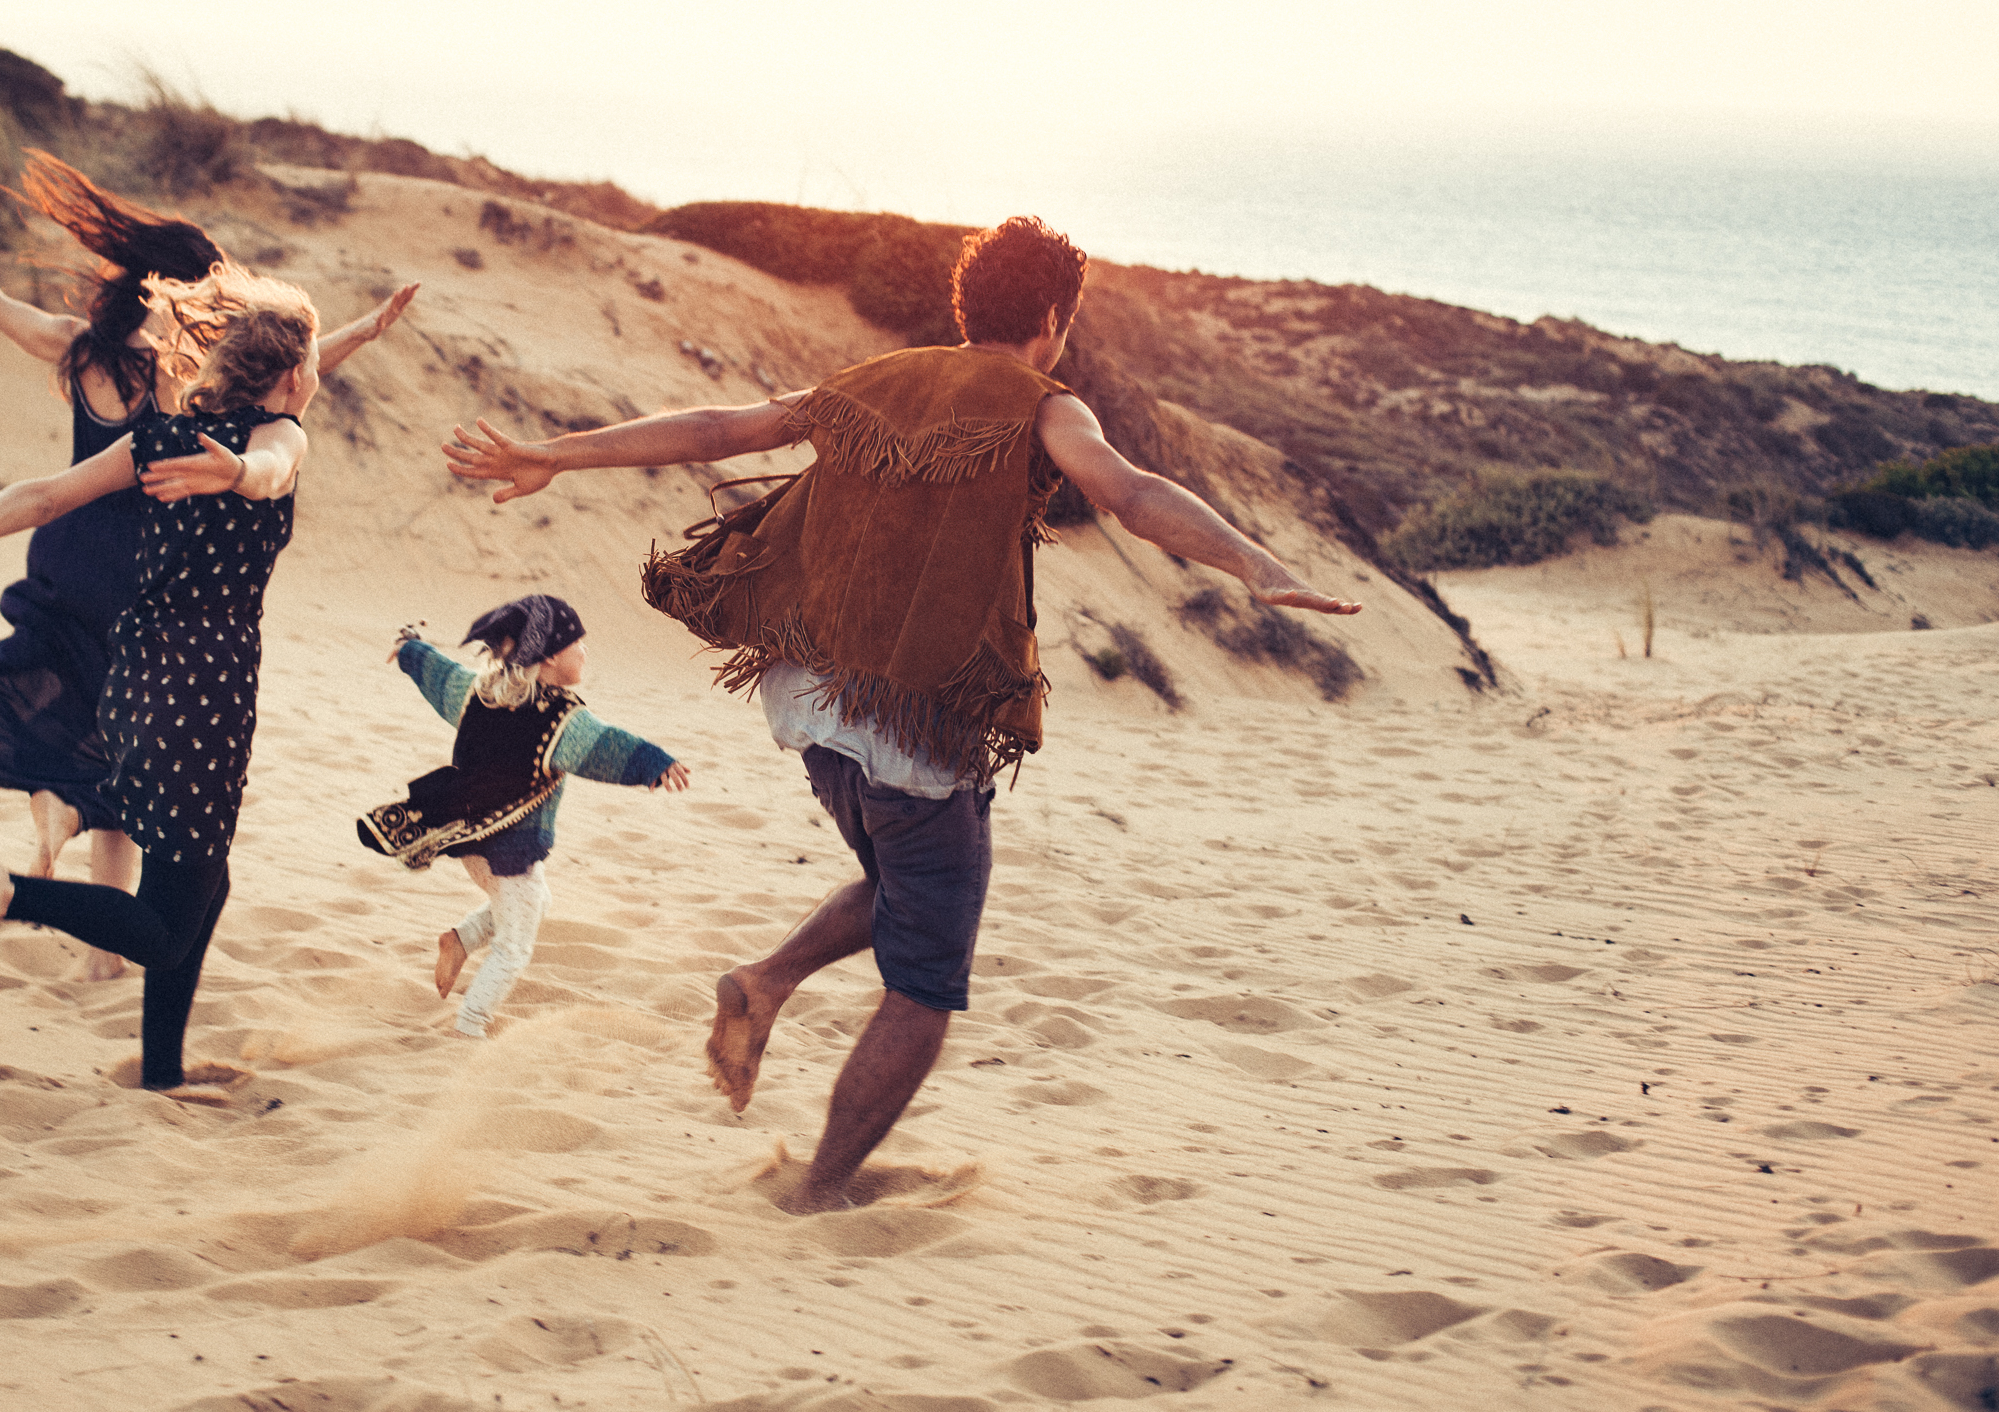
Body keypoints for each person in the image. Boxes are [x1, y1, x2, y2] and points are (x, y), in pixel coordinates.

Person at [442, 215, 1361, 1210]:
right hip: (914, 720)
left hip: (809, 696)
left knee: (899, 874)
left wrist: (555, 453)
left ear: (968, 305)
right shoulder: (1044, 405)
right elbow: (1127, 491)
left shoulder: (873, 381)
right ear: (1051, 319)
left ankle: (763, 982)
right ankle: (820, 1187)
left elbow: (719, 429)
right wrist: (1253, 563)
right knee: (925, 981)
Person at [0, 153, 413, 978]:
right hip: (143, 579)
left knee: (58, 699)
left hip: (63, 549)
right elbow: (280, 392)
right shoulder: (181, 379)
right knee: (124, 762)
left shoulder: (78, 350)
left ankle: (58, 822)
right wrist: (354, 336)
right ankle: (87, 901)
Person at [0, 262, 319, 1101]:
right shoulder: (274, 436)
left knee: (203, 884)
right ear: (293, 376)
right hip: (203, 693)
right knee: (167, 917)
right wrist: (238, 475)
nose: (316, 377)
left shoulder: (163, 437)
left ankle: (161, 1071)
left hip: (138, 675)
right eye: (314, 363)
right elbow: (275, 466)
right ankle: (14, 894)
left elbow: (43, 495)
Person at [362, 595, 693, 1038]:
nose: (586, 651)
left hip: (470, 838)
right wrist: (654, 763)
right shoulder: (561, 720)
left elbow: (441, 675)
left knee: (538, 902)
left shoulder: (480, 692)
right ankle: (469, 1026)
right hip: (509, 851)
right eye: (580, 643)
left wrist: (410, 650)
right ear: (552, 655)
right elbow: (606, 747)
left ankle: (460, 940)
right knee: (515, 948)